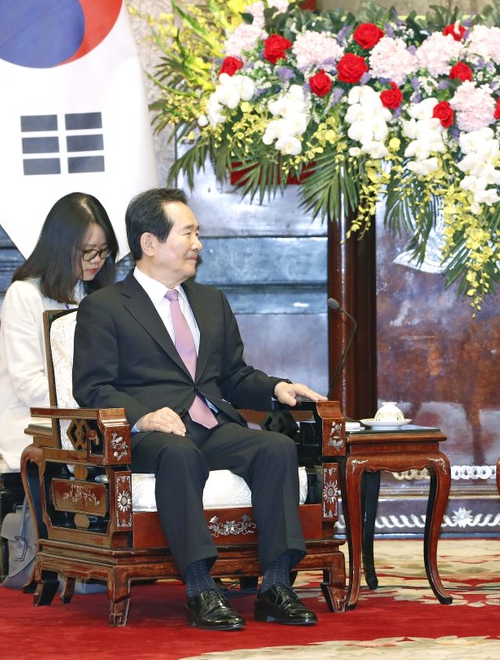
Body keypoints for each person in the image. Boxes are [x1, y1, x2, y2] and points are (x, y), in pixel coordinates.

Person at [73, 188, 325, 631]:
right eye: (187, 233)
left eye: (197, 233)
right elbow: (92, 387)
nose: (198, 244)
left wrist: (277, 388)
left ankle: (276, 585)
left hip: (212, 425)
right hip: (154, 434)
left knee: (274, 448)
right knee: (179, 453)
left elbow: (233, 376)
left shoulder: (210, 302)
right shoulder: (106, 307)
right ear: (150, 243)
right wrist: (143, 416)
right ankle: (199, 587)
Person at [0, 192, 118, 471]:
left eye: (103, 251)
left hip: (85, 415)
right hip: (29, 421)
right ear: (61, 247)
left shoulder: (95, 295)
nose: (96, 260)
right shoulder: (24, 294)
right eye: (88, 251)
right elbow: (27, 383)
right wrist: (89, 401)